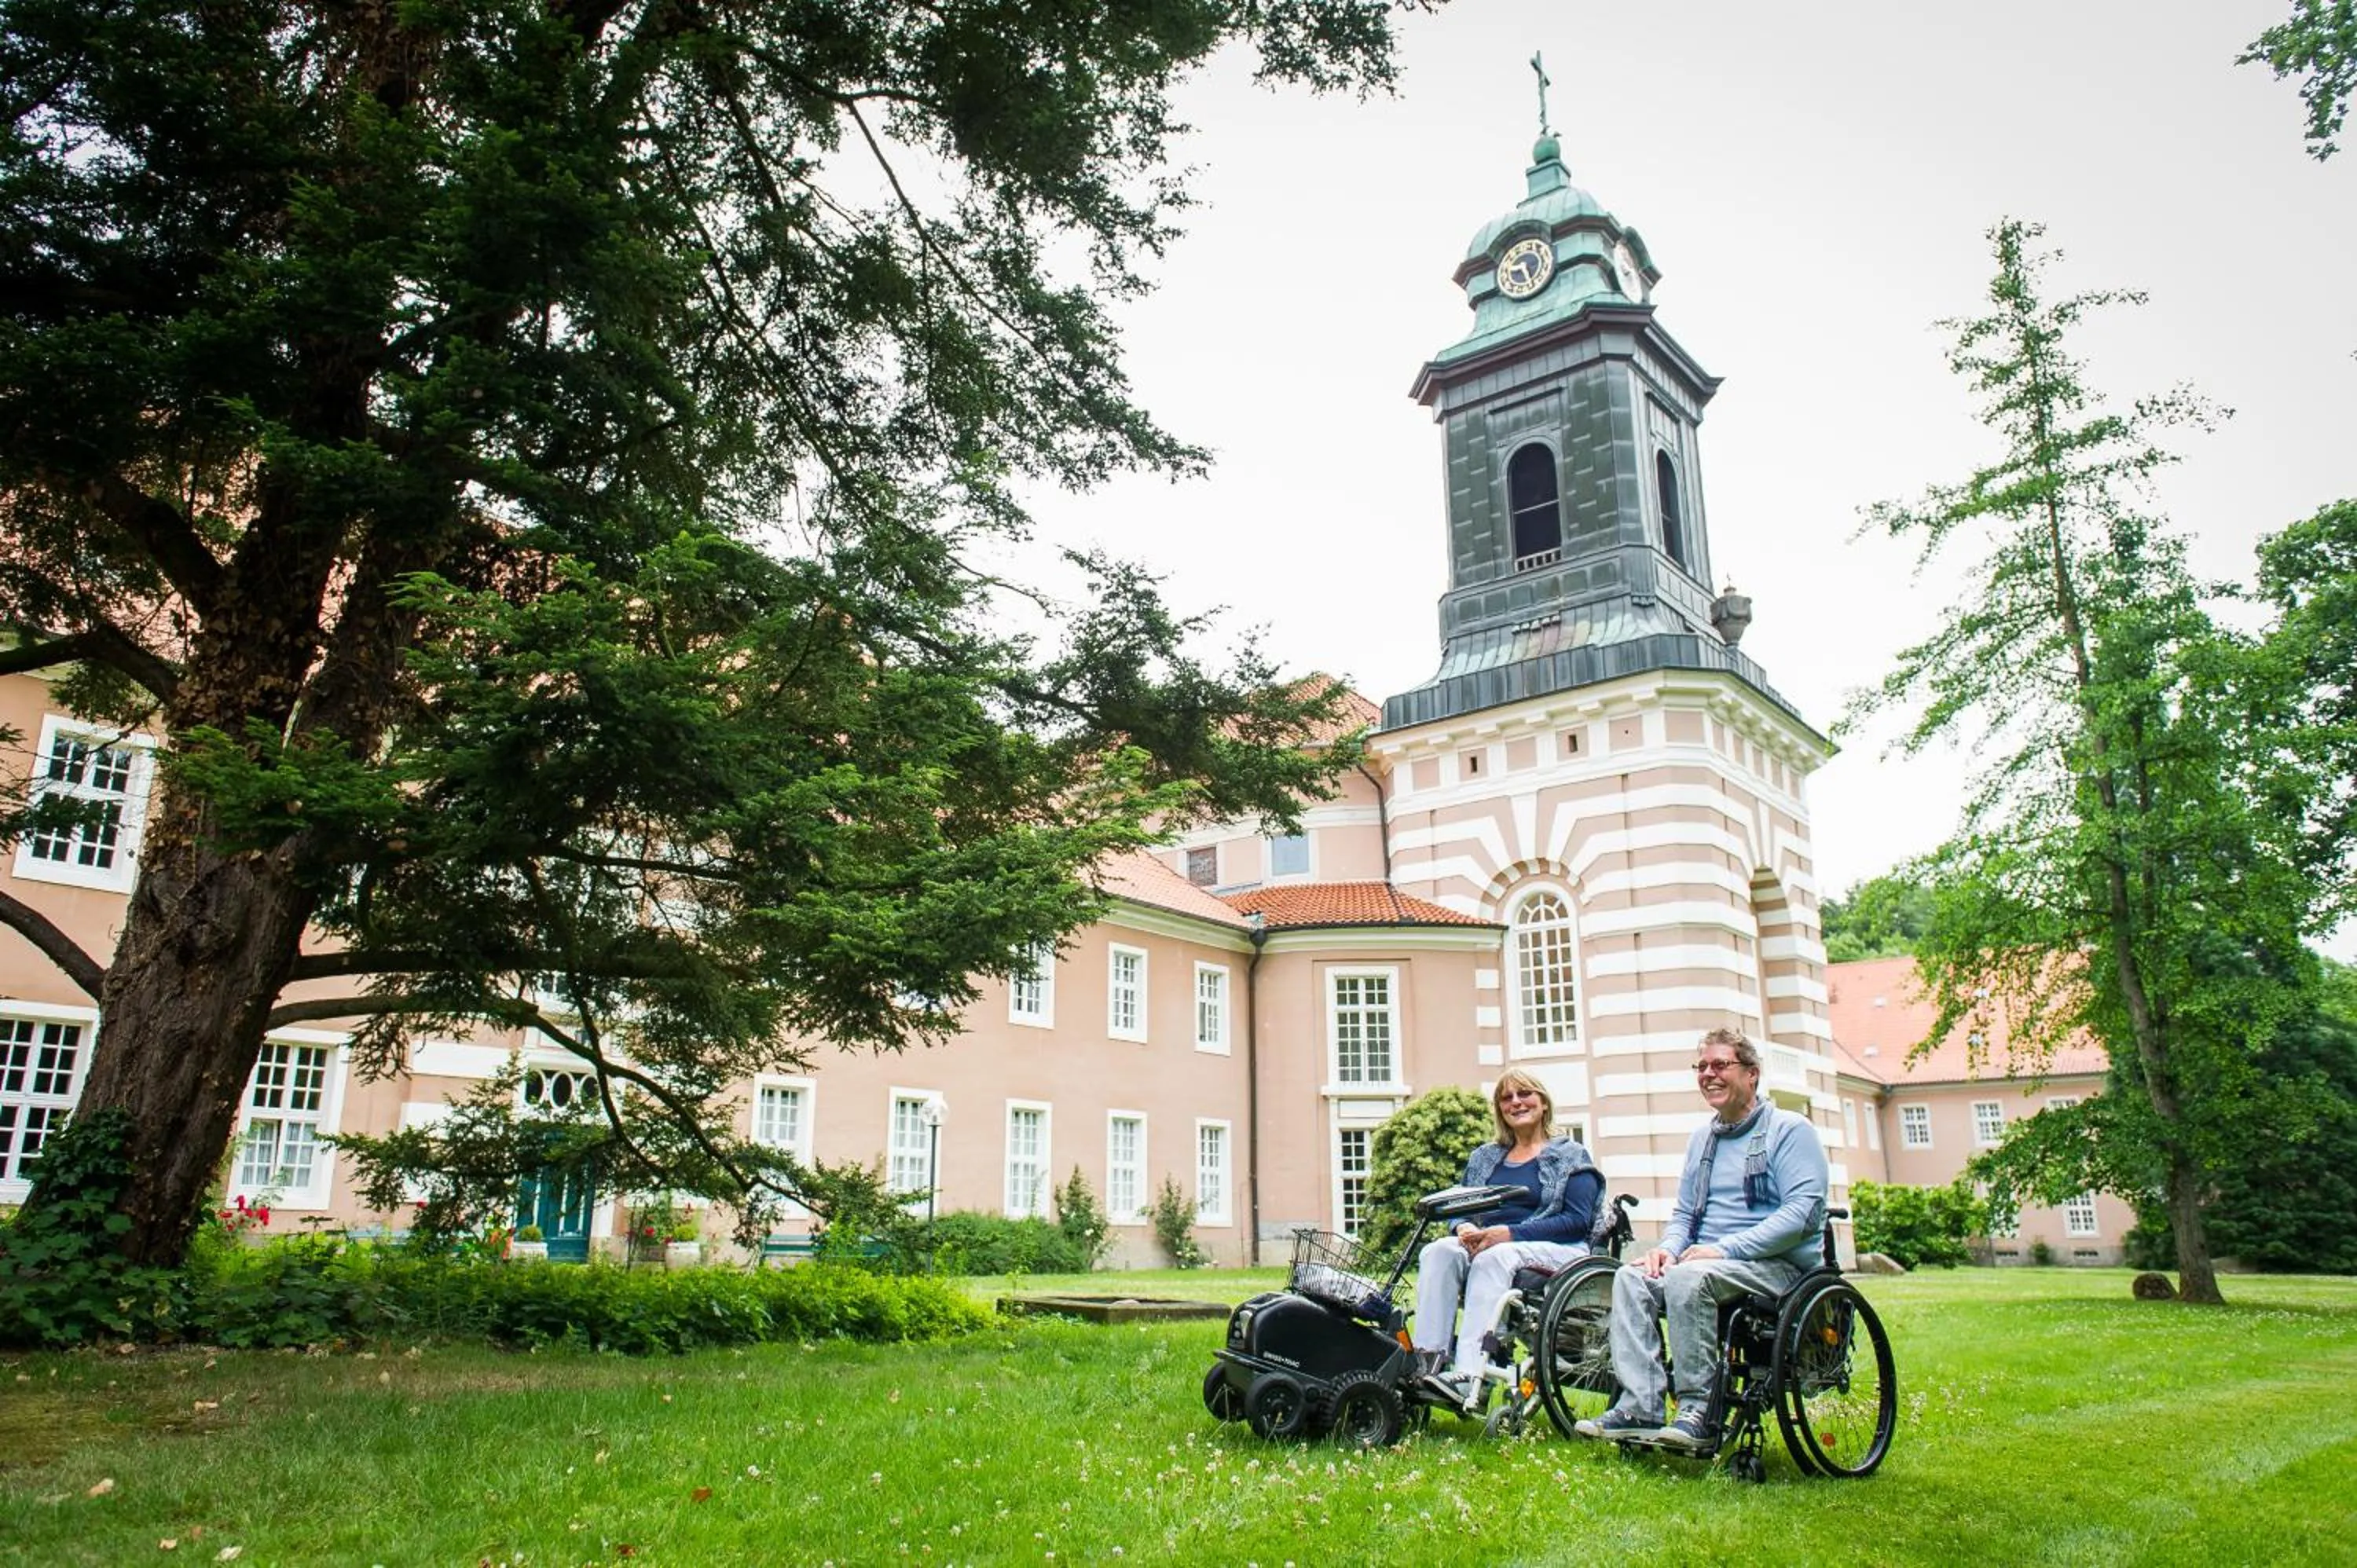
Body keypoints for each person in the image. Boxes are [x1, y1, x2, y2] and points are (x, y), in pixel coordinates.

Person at [1575, 1026, 1828, 1448]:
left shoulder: (1790, 1131)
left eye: (1721, 1065)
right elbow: (1684, 1216)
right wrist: (1668, 1250)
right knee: (1631, 1277)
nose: (1709, 1074)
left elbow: (1801, 1216)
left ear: (1752, 1074)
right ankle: (1640, 1406)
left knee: (1687, 1278)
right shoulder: (1703, 1140)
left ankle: (1697, 1408)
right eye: (1702, 1066)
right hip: (1705, 1263)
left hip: (1778, 1268)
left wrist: (1723, 1250)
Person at [1410, 1068, 1602, 1408]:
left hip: (1561, 1250)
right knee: (1438, 1251)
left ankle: (1471, 1376)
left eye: (1525, 1093)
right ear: (1500, 1109)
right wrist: (1463, 1227)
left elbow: (1577, 1220)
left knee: (1494, 1257)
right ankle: (1429, 1364)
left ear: (1543, 1103)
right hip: (1490, 1243)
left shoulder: (1571, 1156)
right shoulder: (1484, 1157)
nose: (1516, 1102)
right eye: (1506, 1097)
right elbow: (1460, 1205)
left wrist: (1509, 1234)